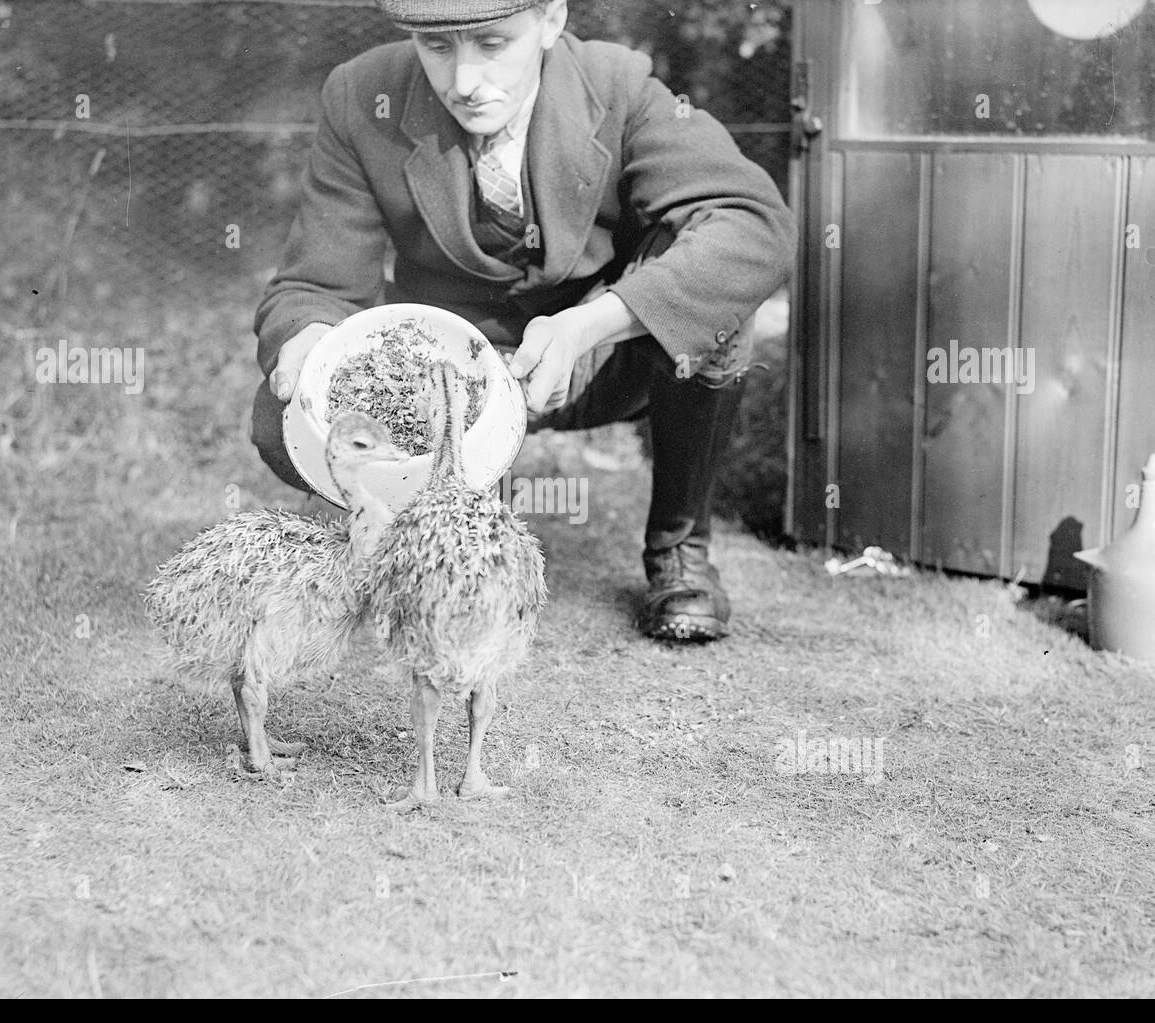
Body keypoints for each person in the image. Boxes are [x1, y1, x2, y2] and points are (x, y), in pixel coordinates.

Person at [252, 0, 795, 641]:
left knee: (718, 304)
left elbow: (752, 224)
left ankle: (680, 550)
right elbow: (315, 283)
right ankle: (428, 549)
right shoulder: (361, 94)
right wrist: (312, 340)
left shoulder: (619, 86)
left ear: (551, 19)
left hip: (598, 356)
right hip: (444, 380)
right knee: (278, 418)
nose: (462, 82)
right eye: (437, 48)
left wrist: (590, 325)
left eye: (491, 43)